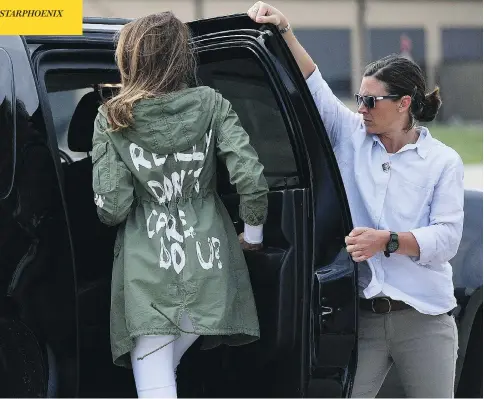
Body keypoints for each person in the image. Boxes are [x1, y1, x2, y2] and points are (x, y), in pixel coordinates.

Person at [248, 2, 463, 398]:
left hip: (425, 319)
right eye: (359, 98)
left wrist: (387, 240)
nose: (360, 108)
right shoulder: (351, 135)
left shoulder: (443, 161)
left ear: (403, 104)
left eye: (370, 101)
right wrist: (285, 30)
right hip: (362, 318)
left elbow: (446, 240)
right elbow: (314, 83)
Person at [91, 12, 269, 398]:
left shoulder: (112, 116)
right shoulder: (211, 103)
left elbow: (113, 207)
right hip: (210, 260)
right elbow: (251, 178)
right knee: (159, 375)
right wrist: (252, 235)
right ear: (181, 56)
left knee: (154, 381)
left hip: (148, 269)